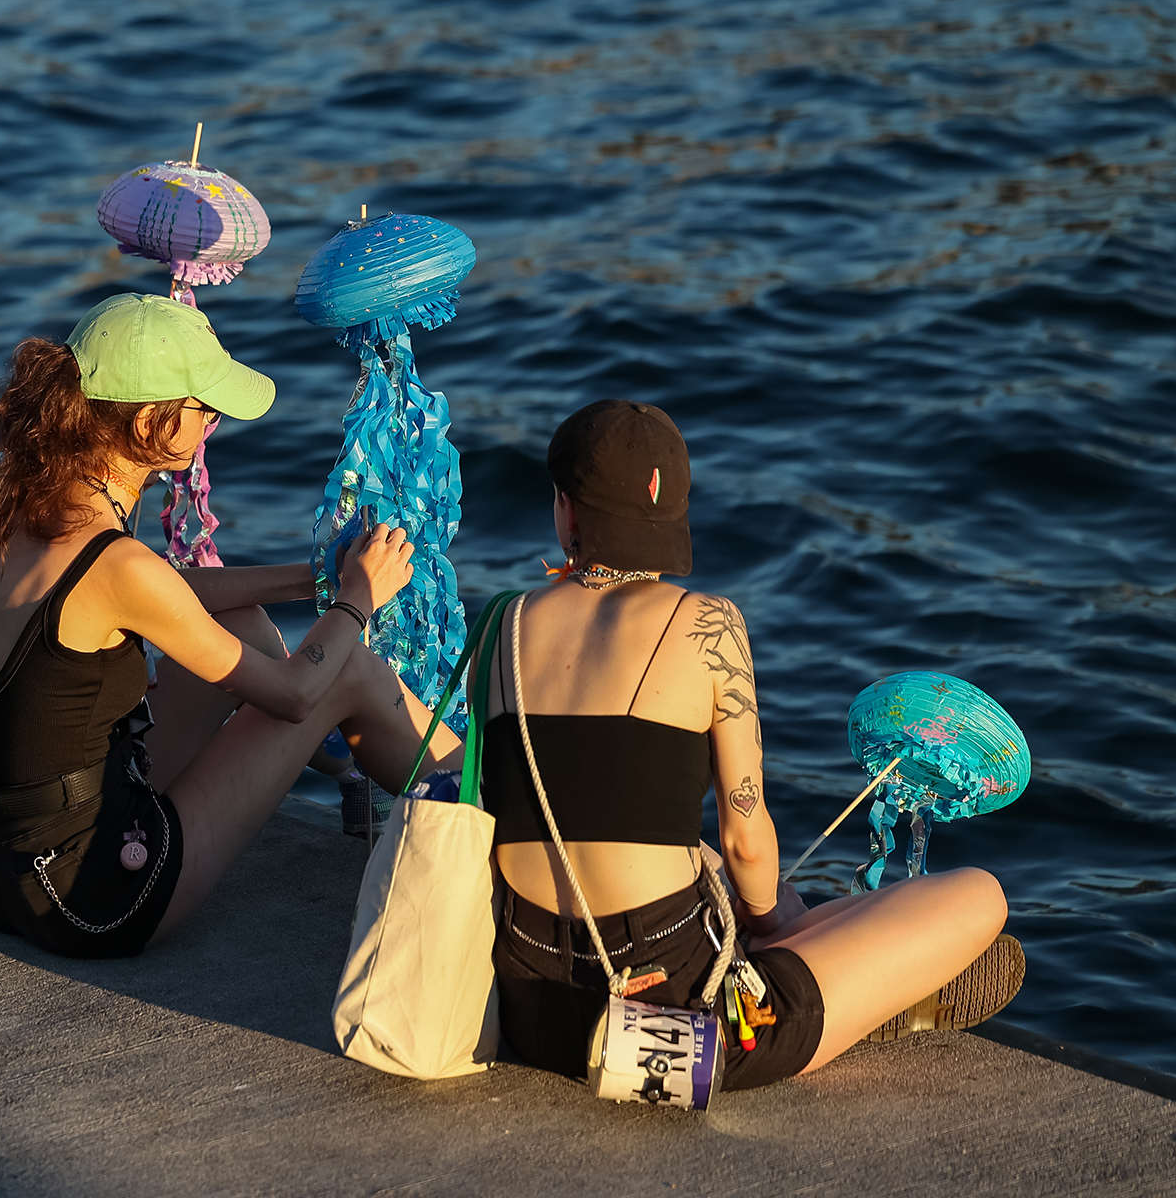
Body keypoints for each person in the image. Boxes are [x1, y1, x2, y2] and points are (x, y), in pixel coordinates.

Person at [401, 399, 1023, 1089]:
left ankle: (844, 980)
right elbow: (745, 841)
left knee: (704, 869)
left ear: (568, 511)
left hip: (531, 1012)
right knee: (978, 896)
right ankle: (863, 1002)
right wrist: (767, 917)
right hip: (671, 1017)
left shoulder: (502, 623)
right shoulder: (708, 624)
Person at [0, 294, 454, 957]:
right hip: (91, 895)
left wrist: (310, 579)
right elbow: (296, 694)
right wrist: (356, 600)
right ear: (153, 420)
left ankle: (345, 758)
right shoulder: (117, 564)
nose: (212, 421)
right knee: (343, 672)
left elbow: (159, 594)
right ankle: (489, 804)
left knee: (237, 621)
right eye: (204, 407)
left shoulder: (7, 497)